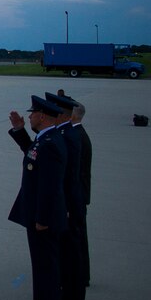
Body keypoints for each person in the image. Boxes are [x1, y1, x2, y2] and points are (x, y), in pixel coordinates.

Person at [7, 95, 68, 300]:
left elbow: (50, 187)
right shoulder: (47, 139)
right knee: (43, 264)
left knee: (46, 266)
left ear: (42, 116)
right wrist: (20, 130)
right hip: (41, 215)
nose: (30, 116)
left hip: (44, 218)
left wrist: (42, 218)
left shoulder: (51, 144)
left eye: (32, 114)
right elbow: (32, 153)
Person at [44, 91, 86, 300]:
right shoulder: (68, 134)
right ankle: (73, 290)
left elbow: (65, 175)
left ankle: (72, 294)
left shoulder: (67, 137)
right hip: (70, 200)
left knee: (69, 250)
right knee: (71, 249)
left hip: (66, 201)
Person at [70, 100, 92, 287]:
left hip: (76, 195)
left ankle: (80, 277)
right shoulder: (78, 134)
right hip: (80, 193)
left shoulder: (77, 136)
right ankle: (82, 275)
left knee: (76, 238)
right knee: (79, 238)